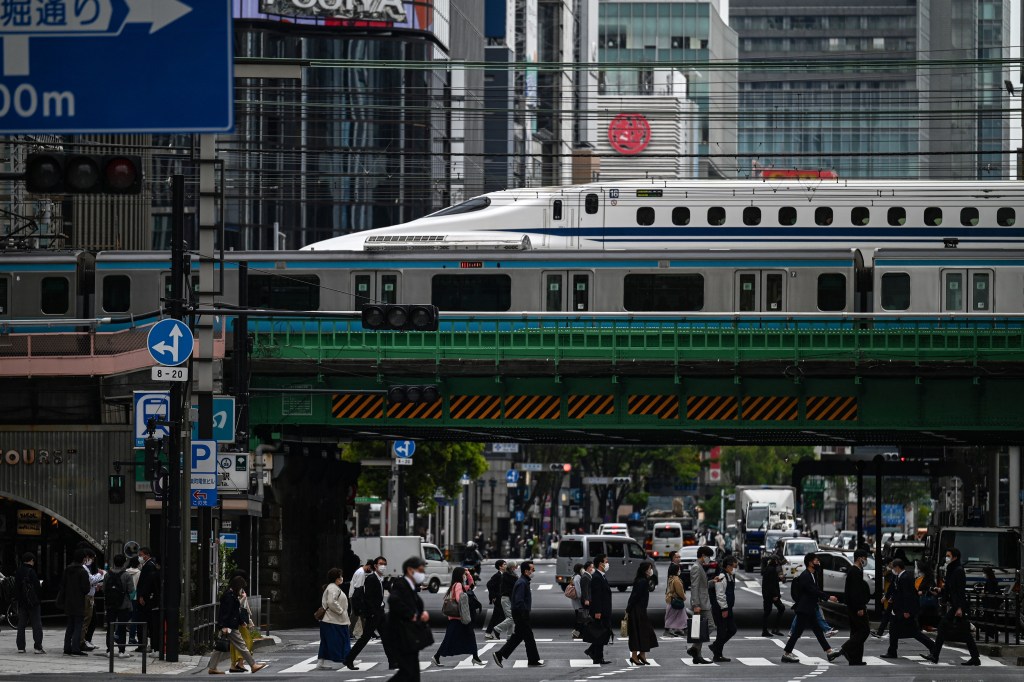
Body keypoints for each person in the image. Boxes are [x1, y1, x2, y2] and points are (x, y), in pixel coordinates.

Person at [926, 547, 981, 666]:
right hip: (956, 605)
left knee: (943, 627)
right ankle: (975, 658)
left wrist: (960, 608)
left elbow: (960, 590)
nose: (946, 558)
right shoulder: (952, 569)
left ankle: (935, 655)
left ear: (955, 557)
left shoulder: (958, 570)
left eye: (948, 556)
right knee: (964, 632)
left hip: (958, 606)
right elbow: (950, 589)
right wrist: (939, 591)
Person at [781, 553, 839, 663]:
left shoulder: (813, 574)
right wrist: (828, 597)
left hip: (810, 608)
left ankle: (829, 651)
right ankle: (786, 654)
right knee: (797, 633)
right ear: (810, 563)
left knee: (818, 631)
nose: (818, 563)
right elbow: (813, 591)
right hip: (804, 609)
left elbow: (815, 590)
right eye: (816, 561)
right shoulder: (805, 576)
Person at [383, 556, 431, 682]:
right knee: (407, 673)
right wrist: (412, 615)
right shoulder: (401, 584)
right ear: (410, 570)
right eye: (420, 570)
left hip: (408, 637)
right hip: (399, 637)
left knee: (413, 674)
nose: (423, 574)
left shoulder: (411, 586)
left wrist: (420, 614)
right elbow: (393, 600)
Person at [207, 576, 267, 674]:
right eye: (240, 587)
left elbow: (233, 611)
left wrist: (241, 622)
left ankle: (212, 668)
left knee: (219, 647)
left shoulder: (230, 595)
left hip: (228, 625)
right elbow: (227, 612)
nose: (241, 590)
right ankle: (253, 665)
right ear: (237, 586)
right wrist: (225, 626)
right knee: (241, 645)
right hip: (229, 626)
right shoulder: (229, 596)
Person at [880, 558, 936, 660]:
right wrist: (890, 597)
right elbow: (897, 591)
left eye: (893, 568)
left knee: (914, 632)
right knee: (893, 630)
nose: (892, 570)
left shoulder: (905, 578)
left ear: (897, 567)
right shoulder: (899, 577)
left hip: (904, 610)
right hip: (898, 609)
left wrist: (907, 611)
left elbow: (908, 596)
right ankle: (892, 652)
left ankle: (933, 647)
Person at [492, 560, 543, 668]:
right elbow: (519, 601)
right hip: (520, 614)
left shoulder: (523, 581)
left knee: (518, 637)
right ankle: (532, 660)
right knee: (528, 637)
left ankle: (500, 654)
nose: (534, 571)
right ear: (526, 571)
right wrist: (524, 613)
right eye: (532, 569)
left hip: (520, 613)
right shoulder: (522, 583)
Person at [432, 567, 483, 666]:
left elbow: (471, 585)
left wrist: (468, 574)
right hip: (458, 618)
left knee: (468, 636)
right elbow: (460, 599)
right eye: (464, 574)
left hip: (458, 618)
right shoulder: (458, 585)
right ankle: (436, 656)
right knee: (450, 639)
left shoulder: (458, 584)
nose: (465, 576)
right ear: (460, 575)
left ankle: (475, 657)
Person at [829, 549, 871, 665]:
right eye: (865, 558)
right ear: (859, 558)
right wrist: (860, 607)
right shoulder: (854, 571)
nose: (865, 560)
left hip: (853, 606)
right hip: (856, 607)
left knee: (856, 631)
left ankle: (855, 659)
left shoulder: (857, 570)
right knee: (864, 631)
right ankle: (845, 649)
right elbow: (855, 592)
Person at [345, 556, 387, 670]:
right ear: (375, 566)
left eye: (385, 564)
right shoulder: (371, 578)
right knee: (364, 638)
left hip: (379, 612)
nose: (383, 566)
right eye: (381, 564)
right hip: (374, 614)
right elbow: (365, 596)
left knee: (386, 637)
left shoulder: (379, 578)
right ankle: (349, 659)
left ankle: (393, 661)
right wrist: (371, 613)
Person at [315, 567, 352, 671]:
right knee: (343, 640)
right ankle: (349, 659)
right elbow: (332, 602)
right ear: (336, 578)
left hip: (329, 620)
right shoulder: (333, 588)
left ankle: (321, 662)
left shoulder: (332, 587)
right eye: (340, 576)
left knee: (326, 642)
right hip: (335, 620)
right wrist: (340, 611)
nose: (342, 578)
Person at [58, 549, 91, 656]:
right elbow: (86, 589)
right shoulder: (82, 572)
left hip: (68, 601)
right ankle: (75, 648)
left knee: (70, 625)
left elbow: (62, 584)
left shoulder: (67, 569)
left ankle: (67, 647)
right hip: (79, 601)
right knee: (78, 625)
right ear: (83, 559)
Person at [102, 554, 134, 658]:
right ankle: (121, 651)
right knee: (122, 628)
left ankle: (109, 650)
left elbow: (104, 589)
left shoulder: (107, 574)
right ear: (124, 563)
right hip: (123, 605)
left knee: (110, 628)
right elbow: (131, 590)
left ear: (114, 562)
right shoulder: (127, 575)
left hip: (110, 605)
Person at [686, 546, 715, 665]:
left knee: (700, 629)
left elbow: (702, 585)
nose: (709, 559)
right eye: (708, 556)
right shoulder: (696, 567)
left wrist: (713, 582)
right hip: (701, 604)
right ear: (703, 555)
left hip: (702, 602)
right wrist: (696, 604)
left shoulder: (699, 566)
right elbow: (694, 587)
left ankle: (697, 655)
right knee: (710, 626)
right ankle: (694, 648)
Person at [626, 561, 658, 666]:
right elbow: (634, 596)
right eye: (649, 568)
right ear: (645, 570)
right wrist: (628, 609)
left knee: (644, 632)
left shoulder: (643, 580)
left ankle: (642, 655)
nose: (651, 570)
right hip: (637, 611)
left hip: (641, 610)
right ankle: (634, 656)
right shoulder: (642, 581)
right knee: (637, 632)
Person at [14, 552, 45, 654]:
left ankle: (21, 647)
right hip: (33, 602)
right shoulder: (31, 571)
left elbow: (16, 587)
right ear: (31, 560)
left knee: (21, 625)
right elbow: (36, 587)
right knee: (36, 624)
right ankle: (38, 647)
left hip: (22, 602)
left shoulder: (18, 571)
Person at [584, 554, 612, 665]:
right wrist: (597, 611)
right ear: (601, 564)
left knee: (602, 633)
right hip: (600, 611)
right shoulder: (596, 577)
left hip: (604, 610)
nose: (607, 563)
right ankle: (597, 657)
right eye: (606, 561)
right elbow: (596, 596)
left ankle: (593, 652)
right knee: (601, 633)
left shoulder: (601, 576)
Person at [709, 554, 738, 662]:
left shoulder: (730, 576)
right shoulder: (722, 577)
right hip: (720, 608)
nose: (735, 568)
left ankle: (715, 646)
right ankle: (717, 654)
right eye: (734, 566)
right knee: (721, 631)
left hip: (727, 607)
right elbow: (720, 594)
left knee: (732, 629)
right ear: (728, 566)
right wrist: (724, 609)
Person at [135, 547, 160, 655]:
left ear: (147, 555)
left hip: (146, 599)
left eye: (141, 555)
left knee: (144, 621)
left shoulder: (149, 566)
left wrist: (142, 596)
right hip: (147, 597)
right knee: (146, 621)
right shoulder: (148, 565)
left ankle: (143, 644)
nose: (140, 557)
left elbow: (147, 583)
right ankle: (144, 644)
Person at [229, 583, 258, 673]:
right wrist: (244, 598)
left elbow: (246, 608)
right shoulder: (234, 593)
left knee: (236, 643)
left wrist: (249, 619)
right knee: (245, 641)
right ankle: (240, 663)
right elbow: (236, 606)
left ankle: (234, 665)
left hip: (238, 620)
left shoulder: (238, 591)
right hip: (238, 621)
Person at [79, 548, 103, 652]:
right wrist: (100, 574)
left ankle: (85, 640)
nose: (92, 560)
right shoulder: (84, 568)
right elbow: (91, 580)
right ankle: (82, 641)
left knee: (91, 619)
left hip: (90, 595)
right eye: (91, 558)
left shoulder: (85, 568)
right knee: (87, 620)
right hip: (87, 596)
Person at [489, 561, 517, 640]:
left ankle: (510, 637)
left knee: (509, 617)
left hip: (508, 598)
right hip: (506, 598)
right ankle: (497, 628)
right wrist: (493, 596)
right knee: (512, 617)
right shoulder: (507, 575)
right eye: (515, 566)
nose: (516, 568)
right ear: (511, 567)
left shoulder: (510, 574)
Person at [760, 553, 785, 636]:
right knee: (777, 609)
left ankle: (769, 630)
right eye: (777, 561)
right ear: (775, 561)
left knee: (769, 611)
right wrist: (775, 595)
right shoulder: (772, 570)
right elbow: (772, 584)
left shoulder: (768, 568)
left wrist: (779, 579)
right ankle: (770, 630)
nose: (778, 562)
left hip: (767, 594)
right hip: (771, 595)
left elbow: (772, 580)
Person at [348, 559, 373, 640]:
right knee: (355, 615)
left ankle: (367, 633)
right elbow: (358, 587)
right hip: (356, 596)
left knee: (362, 615)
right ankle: (349, 632)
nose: (371, 571)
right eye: (371, 569)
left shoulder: (360, 571)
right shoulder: (361, 573)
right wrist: (361, 599)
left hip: (355, 595)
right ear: (369, 566)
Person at [663, 562, 688, 637]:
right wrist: (684, 597)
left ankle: (679, 629)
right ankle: (669, 630)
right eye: (678, 569)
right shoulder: (676, 580)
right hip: (676, 600)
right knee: (676, 616)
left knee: (678, 616)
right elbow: (680, 591)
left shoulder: (671, 578)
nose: (679, 570)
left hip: (671, 599)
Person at [484, 560, 506, 639]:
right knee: (504, 615)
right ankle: (497, 628)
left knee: (495, 616)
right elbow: (489, 584)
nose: (506, 565)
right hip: (498, 599)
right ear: (500, 567)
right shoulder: (497, 575)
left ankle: (488, 632)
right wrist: (493, 596)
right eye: (504, 564)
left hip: (501, 598)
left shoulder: (504, 575)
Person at [124, 557, 141, 646]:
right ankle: (131, 638)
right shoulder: (139, 573)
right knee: (134, 619)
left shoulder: (125, 572)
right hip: (135, 598)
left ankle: (118, 634)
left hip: (126, 597)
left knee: (124, 617)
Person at [568, 563, 585, 639]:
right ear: (580, 569)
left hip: (575, 601)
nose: (583, 570)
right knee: (580, 619)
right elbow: (579, 592)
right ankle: (576, 634)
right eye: (582, 568)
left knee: (579, 618)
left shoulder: (574, 576)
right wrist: (583, 598)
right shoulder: (577, 577)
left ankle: (577, 633)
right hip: (578, 601)